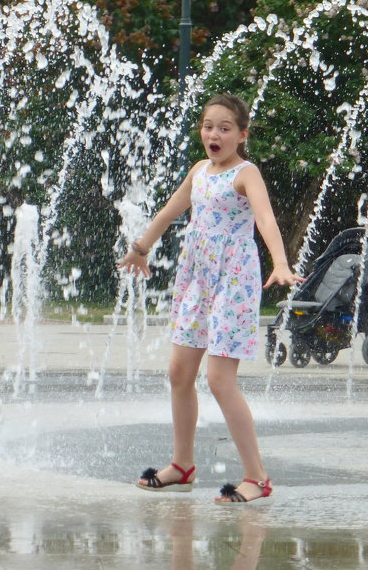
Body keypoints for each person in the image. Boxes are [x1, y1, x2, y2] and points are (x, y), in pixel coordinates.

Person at [118, 94, 299, 505]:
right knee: (180, 373)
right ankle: (182, 465)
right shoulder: (200, 170)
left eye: (224, 128)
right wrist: (140, 248)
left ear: (241, 135)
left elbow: (266, 218)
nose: (214, 134)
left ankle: (257, 476)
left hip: (233, 281)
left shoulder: (246, 173)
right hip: (198, 278)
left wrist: (281, 262)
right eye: (207, 126)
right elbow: (169, 211)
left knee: (219, 380)